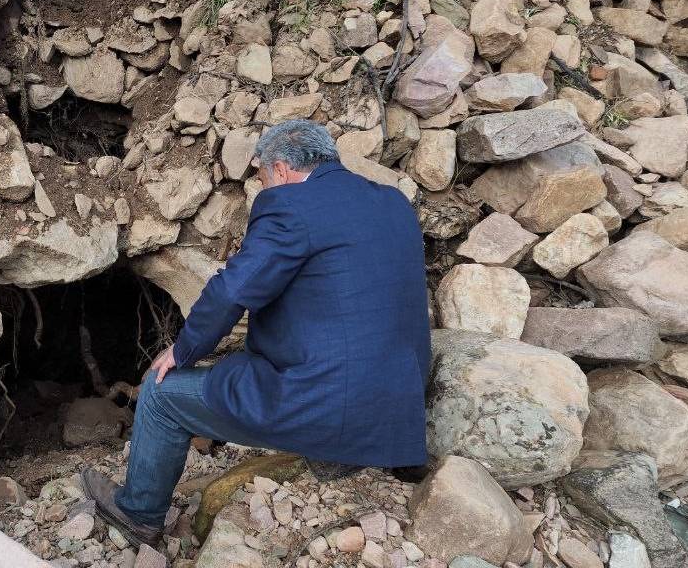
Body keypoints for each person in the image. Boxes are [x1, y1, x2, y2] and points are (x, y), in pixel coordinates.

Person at [82, 119, 432, 547]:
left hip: (327, 403)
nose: (264, 188)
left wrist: (184, 349)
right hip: (400, 411)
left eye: (263, 178)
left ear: (281, 171)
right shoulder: (393, 203)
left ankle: (137, 514)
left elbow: (235, 289)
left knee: (161, 393)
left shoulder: (292, 205)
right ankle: (382, 452)